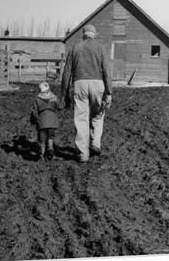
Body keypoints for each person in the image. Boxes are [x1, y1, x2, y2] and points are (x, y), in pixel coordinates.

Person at [61, 24, 113, 163]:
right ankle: (95, 142)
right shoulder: (100, 48)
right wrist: (109, 92)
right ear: (94, 34)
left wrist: (64, 93)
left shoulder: (75, 48)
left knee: (82, 119)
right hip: (98, 84)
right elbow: (107, 71)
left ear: (83, 35)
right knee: (98, 115)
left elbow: (67, 72)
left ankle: (83, 154)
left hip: (80, 84)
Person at [30, 81, 61, 160]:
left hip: (42, 122)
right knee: (50, 137)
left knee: (42, 140)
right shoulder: (53, 97)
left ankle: (41, 156)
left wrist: (34, 120)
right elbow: (60, 106)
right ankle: (50, 150)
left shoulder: (37, 99)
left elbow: (34, 111)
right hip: (52, 121)